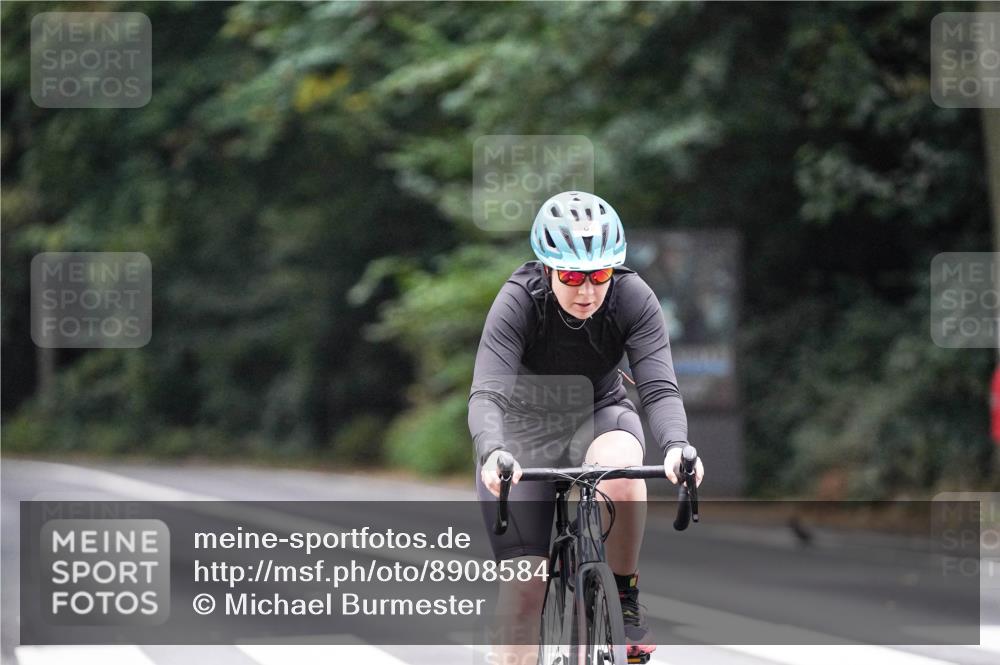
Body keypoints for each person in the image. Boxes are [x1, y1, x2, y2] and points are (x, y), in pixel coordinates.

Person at [469, 191, 705, 664]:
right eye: (572, 276)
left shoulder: (633, 297)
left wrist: (678, 446)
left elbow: (658, 389)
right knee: (523, 595)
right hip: (523, 431)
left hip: (599, 413)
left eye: (598, 275)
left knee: (622, 474)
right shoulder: (519, 300)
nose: (586, 291)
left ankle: (623, 595)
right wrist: (493, 450)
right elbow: (487, 393)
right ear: (547, 269)